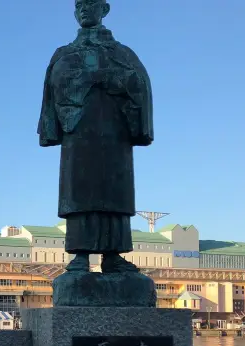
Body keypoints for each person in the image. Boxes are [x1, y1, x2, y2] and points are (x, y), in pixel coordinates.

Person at [38, 0, 153, 274]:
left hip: (114, 132)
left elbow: (138, 84)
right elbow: (56, 86)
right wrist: (99, 78)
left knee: (115, 191)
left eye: (91, 4)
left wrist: (100, 77)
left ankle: (113, 255)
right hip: (78, 132)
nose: (84, 11)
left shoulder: (122, 53)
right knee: (79, 191)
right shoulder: (64, 53)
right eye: (79, 6)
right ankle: (80, 255)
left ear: (105, 10)